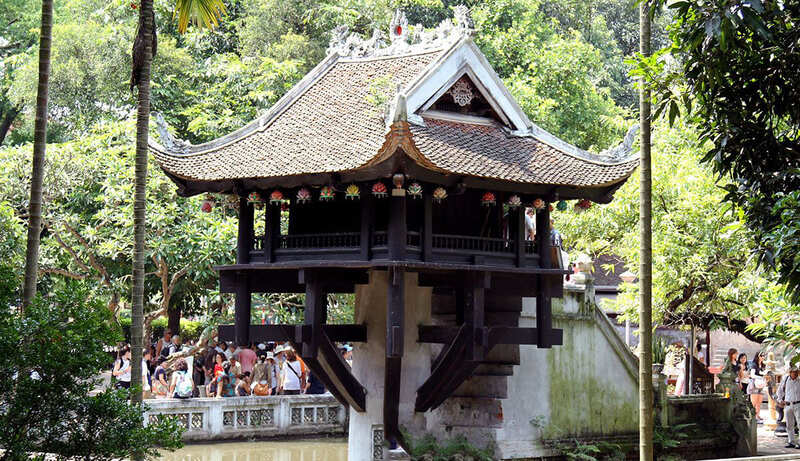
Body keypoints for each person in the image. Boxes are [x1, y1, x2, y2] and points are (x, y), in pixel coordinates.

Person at [777, 366, 800, 449]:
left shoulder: (799, 380)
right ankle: (791, 441)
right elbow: (780, 390)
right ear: (790, 373)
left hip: (798, 404)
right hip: (787, 404)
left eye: (797, 372)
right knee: (789, 424)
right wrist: (780, 400)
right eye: (794, 372)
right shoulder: (786, 380)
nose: (796, 374)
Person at [748, 352, 767, 423]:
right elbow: (752, 375)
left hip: (761, 385)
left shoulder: (763, 365)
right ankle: (752, 416)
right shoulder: (754, 364)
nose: (763, 357)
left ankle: (757, 416)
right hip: (754, 385)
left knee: (759, 401)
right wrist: (761, 377)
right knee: (754, 402)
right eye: (762, 356)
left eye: (764, 356)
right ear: (758, 356)